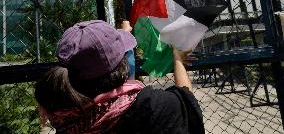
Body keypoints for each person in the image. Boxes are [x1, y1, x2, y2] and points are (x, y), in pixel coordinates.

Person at [35, 20, 205, 134]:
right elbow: (186, 101)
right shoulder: (154, 107)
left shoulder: (67, 119)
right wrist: (178, 59)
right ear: (122, 63)